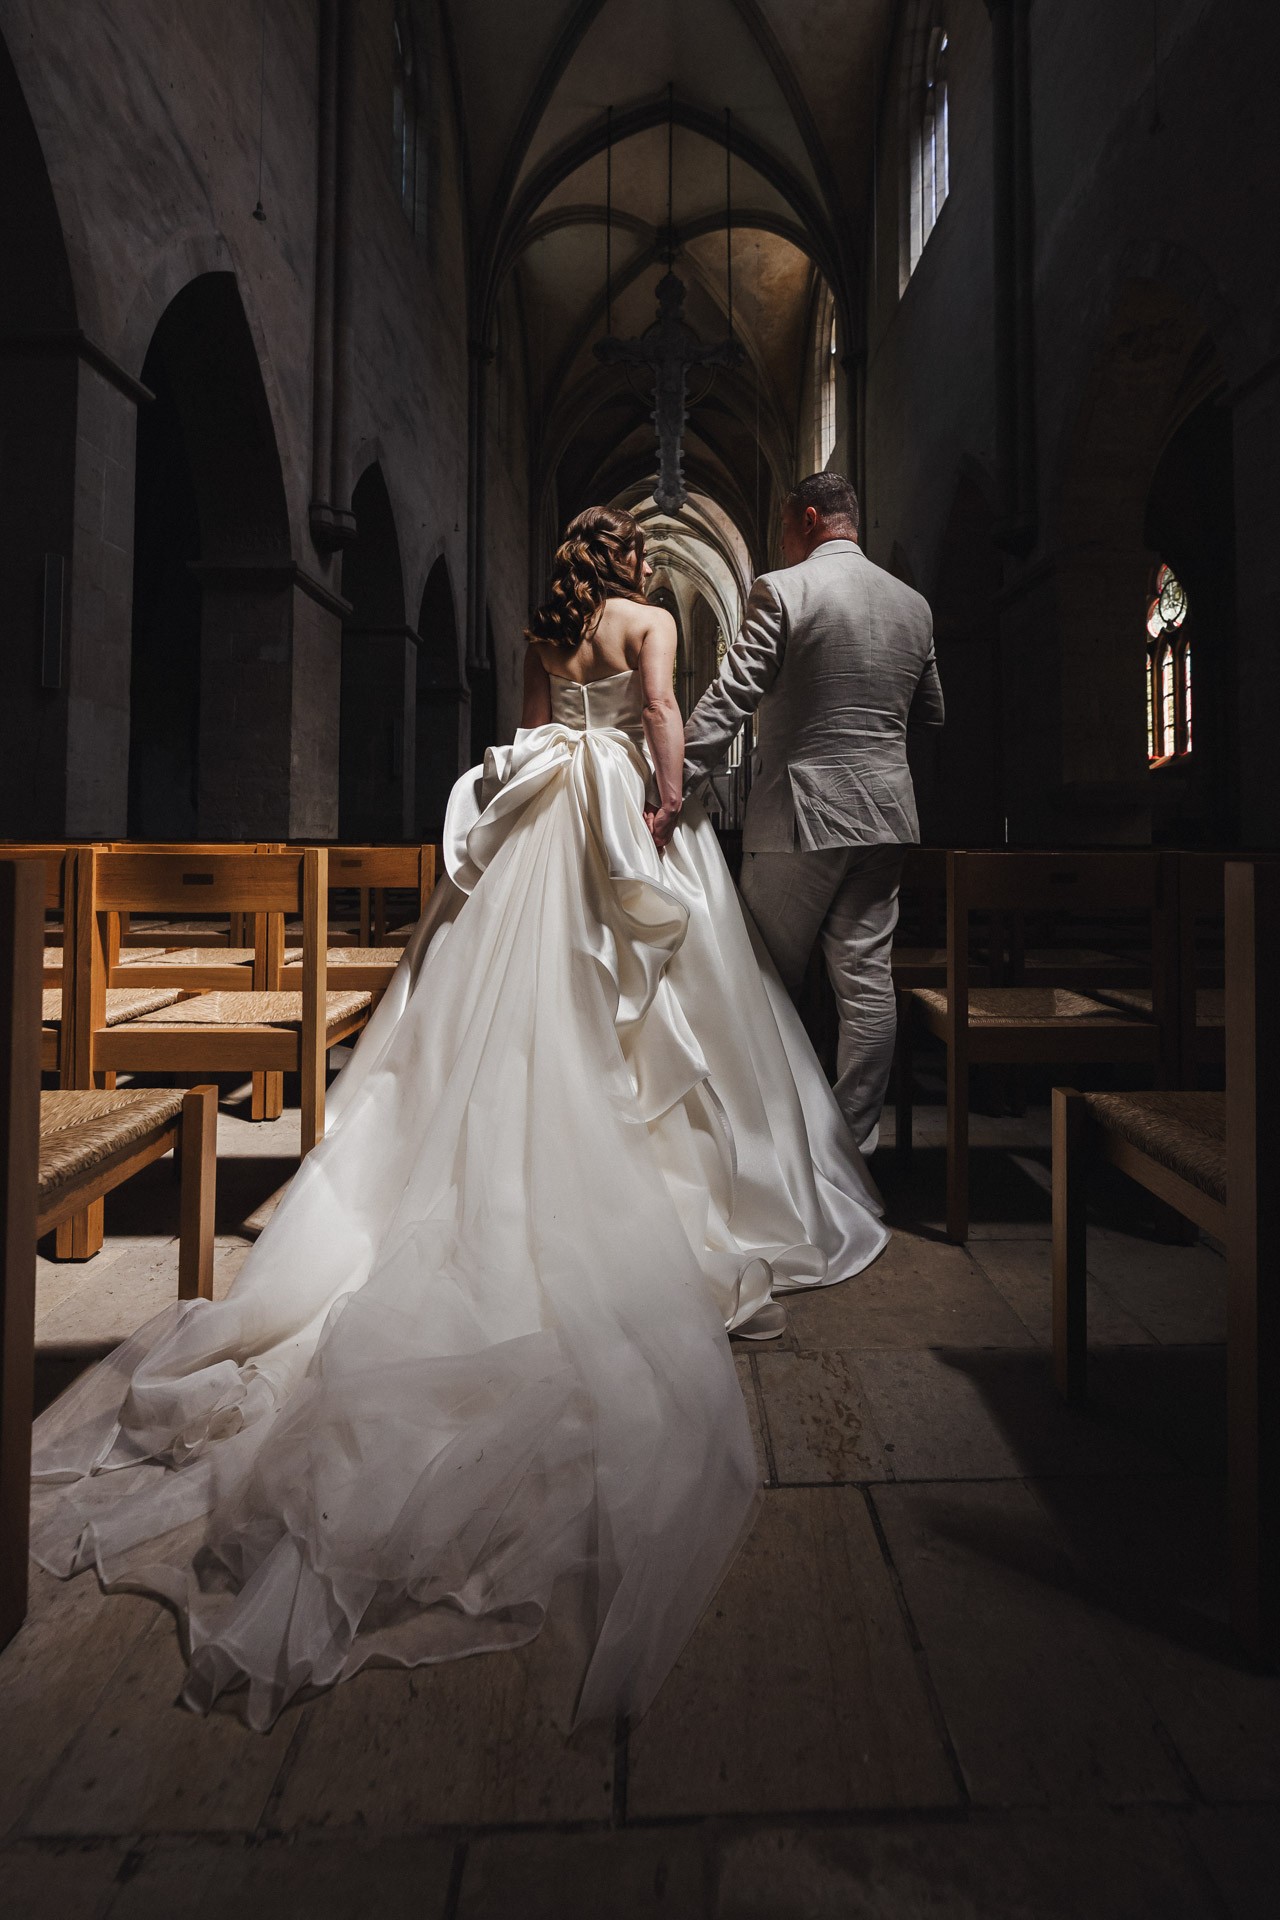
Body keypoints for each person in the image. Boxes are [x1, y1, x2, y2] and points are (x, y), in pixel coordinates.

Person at [30, 506, 887, 1736]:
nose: (641, 569)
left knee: (503, 1014)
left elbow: (539, 729)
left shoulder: (551, 633)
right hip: (617, 816)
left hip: (544, 815)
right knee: (655, 1014)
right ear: (632, 566)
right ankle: (661, 1180)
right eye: (638, 556)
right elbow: (660, 721)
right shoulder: (650, 620)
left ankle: (496, 1167)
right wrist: (665, 803)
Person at [684, 473, 944, 1155]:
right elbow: (933, 713)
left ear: (806, 518)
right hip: (886, 814)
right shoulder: (913, 605)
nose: (781, 541)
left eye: (783, 527)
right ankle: (851, 1151)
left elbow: (730, 696)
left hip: (800, 817)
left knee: (764, 979)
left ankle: (773, 1147)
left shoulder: (784, 588)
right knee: (866, 985)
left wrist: (669, 779)